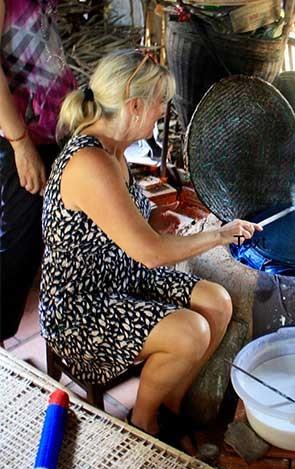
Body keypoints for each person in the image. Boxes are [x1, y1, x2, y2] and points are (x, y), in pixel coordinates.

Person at [39, 49, 262, 443]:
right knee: (191, 332)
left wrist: (162, 219)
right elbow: (152, 253)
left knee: (217, 302)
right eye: (159, 101)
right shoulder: (90, 163)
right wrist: (219, 234)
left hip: (120, 276)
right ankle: (144, 424)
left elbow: (131, 221)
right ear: (135, 106)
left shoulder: (113, 149)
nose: (162, 110)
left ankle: (171, 404)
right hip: (79, 307)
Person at [0, 0, 76, 342]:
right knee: (20, 245)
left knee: (57, 232)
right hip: (21, 137)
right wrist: (20, 145)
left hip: (53, 125)